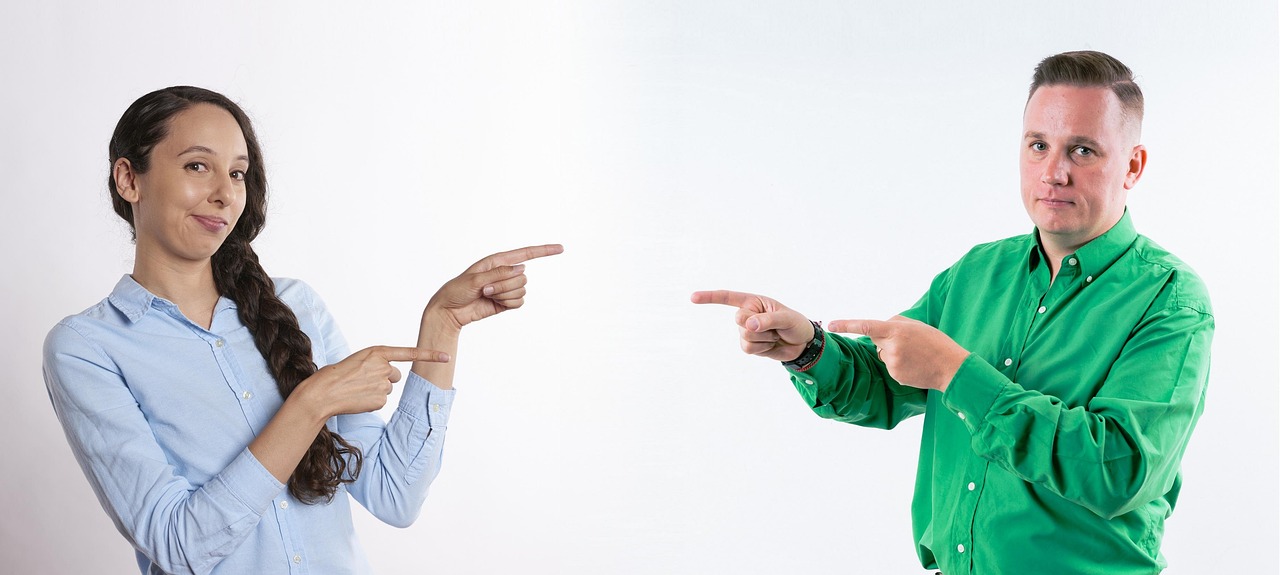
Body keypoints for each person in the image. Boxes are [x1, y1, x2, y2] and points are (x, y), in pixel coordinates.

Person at [692, 51, 1212, 574]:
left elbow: (1119, 469)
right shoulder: (977, 272)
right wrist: (807, 348)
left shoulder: (1170, 299)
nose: (1054, 173)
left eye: (1082, 150)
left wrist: (956, 374)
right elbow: (885, 381)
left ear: (1133, 166)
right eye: (1038, 145)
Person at [43, 86, 562, 575]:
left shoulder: (295, 306)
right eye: (197, 165)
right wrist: (311, 404)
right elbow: (180, 547)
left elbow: (395, 495)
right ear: (129, 179)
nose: (225, 193)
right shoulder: (88, 348)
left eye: (238, 173)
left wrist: (442, 325)